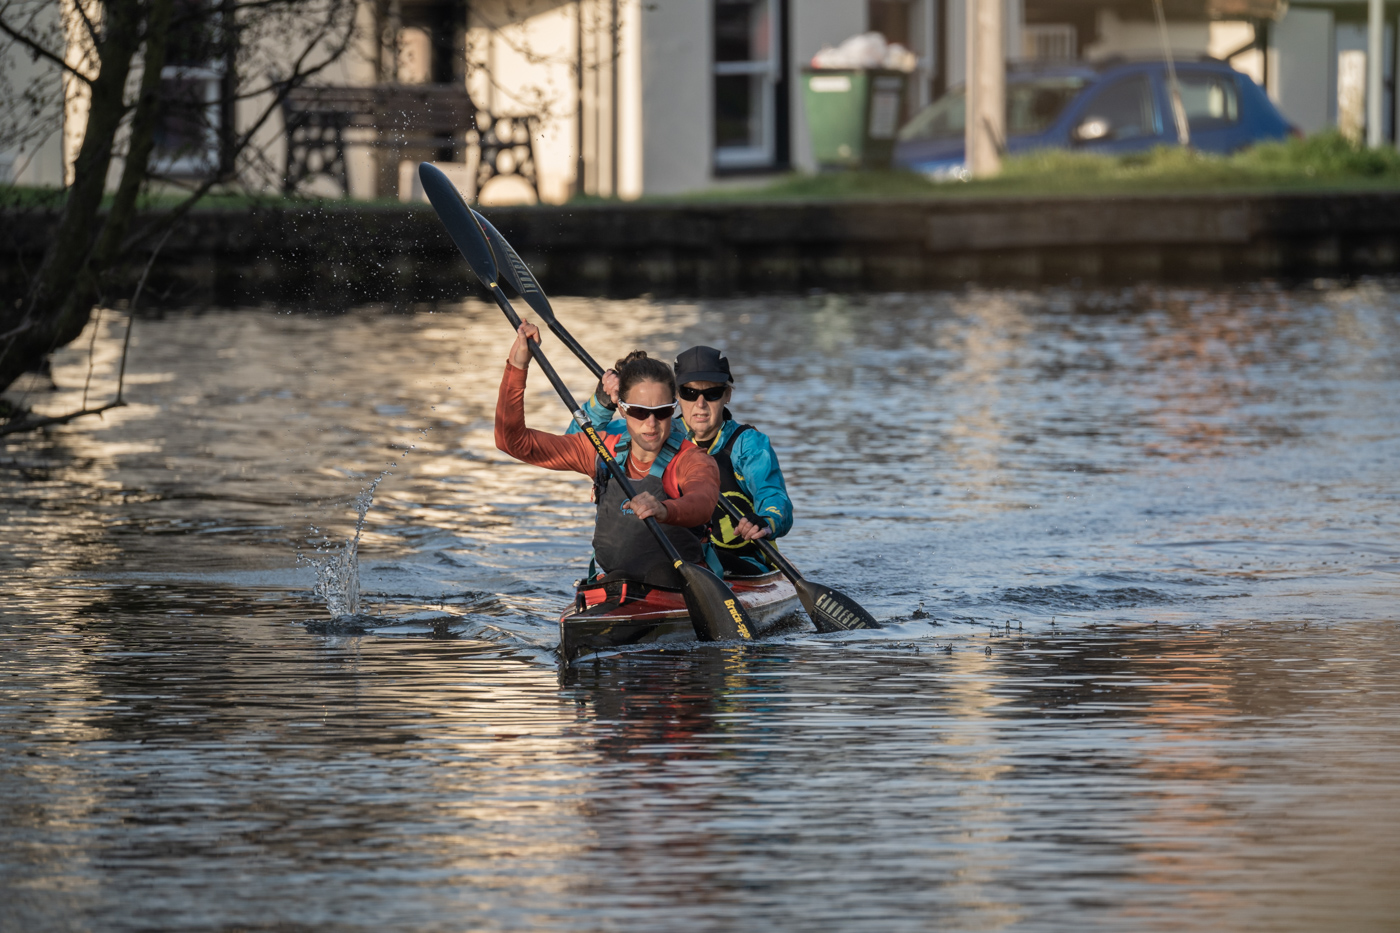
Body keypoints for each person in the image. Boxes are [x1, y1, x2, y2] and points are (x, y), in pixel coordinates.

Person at [495, 323, 721, 588]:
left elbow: (702, 503)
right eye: (639, 411)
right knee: (618, 579)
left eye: (662, 412)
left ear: (673, 409)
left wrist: (664, 509)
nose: (651, 423)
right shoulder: (600, 449)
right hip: (616, 583)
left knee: (659, 575)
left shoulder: (693, 460)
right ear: (622, 410)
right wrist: (518, 365)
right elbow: (512, 442)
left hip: (681, 584)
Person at [572, 345, 794, 577]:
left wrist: (767, 520)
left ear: (727, 395)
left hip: (741, 562)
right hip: (675, 560)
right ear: (677, 395)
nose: (700, 404)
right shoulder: (654, 431)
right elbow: (576, 442)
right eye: (689, 392)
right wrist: (602, 404)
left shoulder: (748, 445)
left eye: (712, 393)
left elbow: (774, 497)